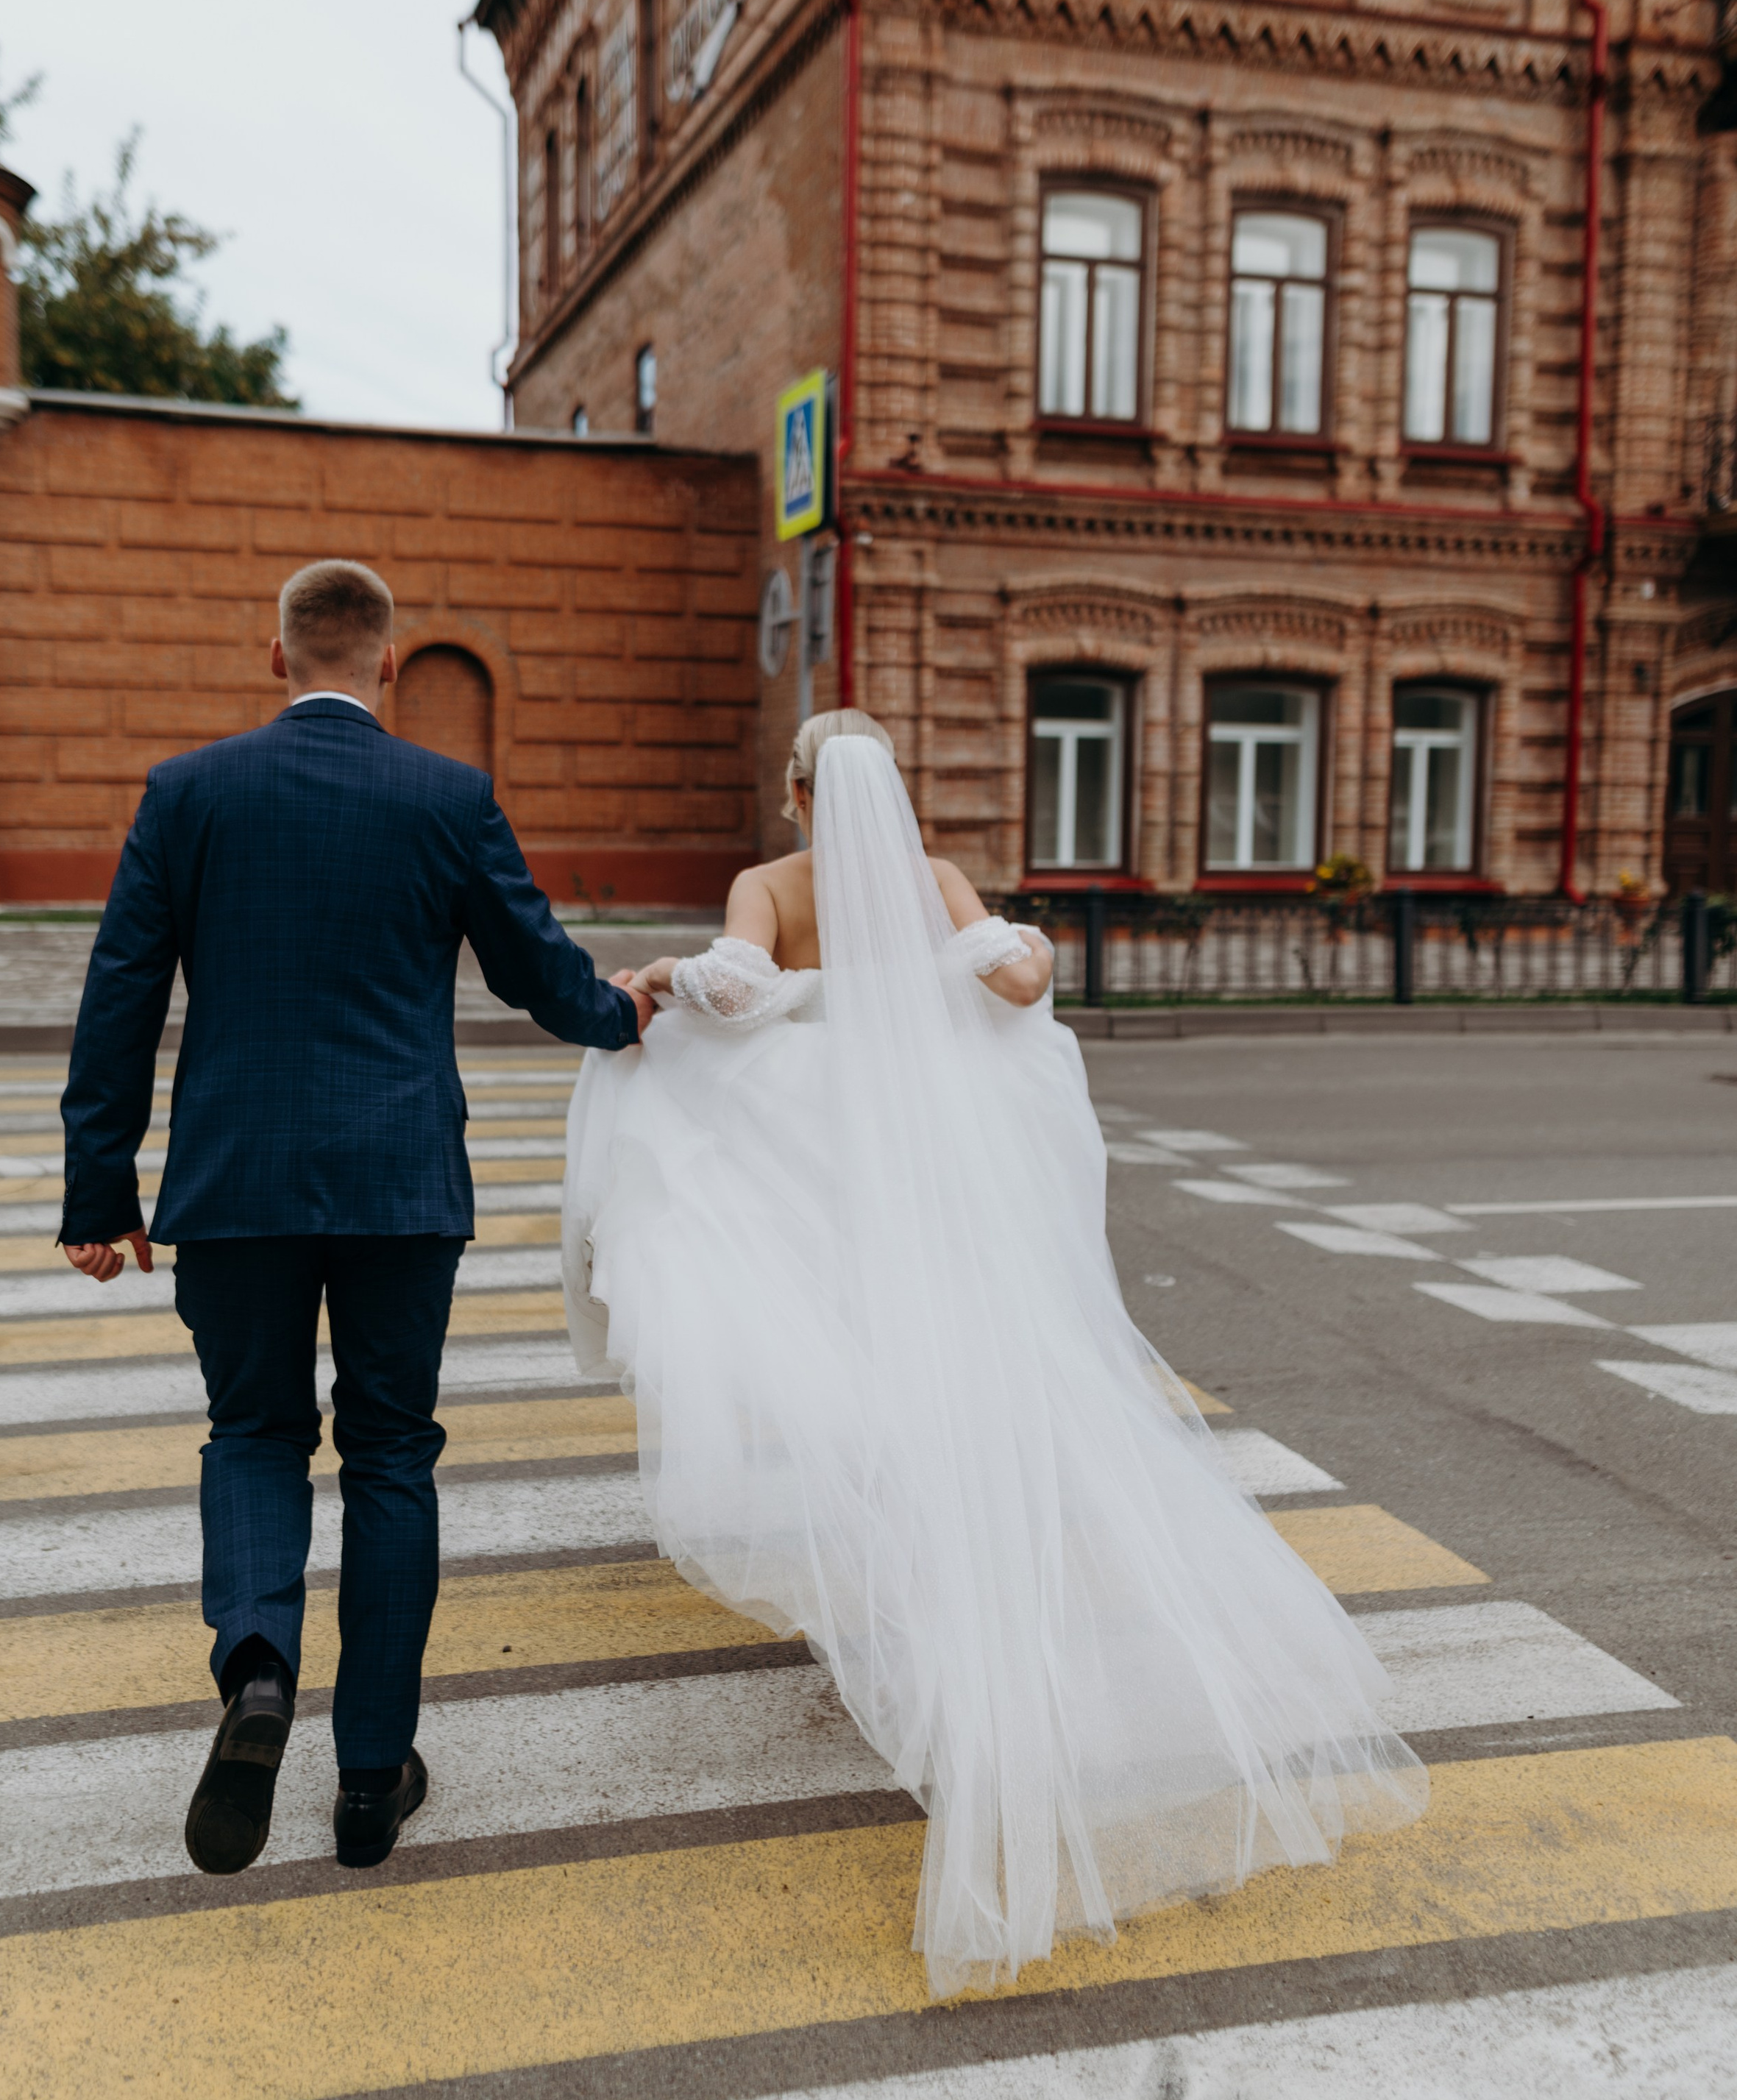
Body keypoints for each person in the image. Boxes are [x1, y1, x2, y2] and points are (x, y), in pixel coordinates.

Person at [563, 709, 1426, 1996]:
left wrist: (670, 976)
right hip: (948, 1187)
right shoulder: (939, 883)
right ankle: (1032, 1628)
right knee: (975, 1379)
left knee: (866, 1386)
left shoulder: (769, 885)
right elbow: (1019, 987)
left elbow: (738, 996)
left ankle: (924, 1617)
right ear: (893, 796)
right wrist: (1009, 939)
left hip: (828, 1188)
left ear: (799, 792)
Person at [60, 560, 651, 1877]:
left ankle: (260, 1672)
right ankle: (373, 1781)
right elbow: (538, 976)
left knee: (255, 1434)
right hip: (398, 1189)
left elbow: (119, 1001)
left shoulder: (188, 793)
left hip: (236, 1186)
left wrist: (100, 1192)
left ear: (274, 658)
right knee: (392, 1457)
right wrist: (630, 1011)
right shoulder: (447, 796)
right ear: (389, 665)